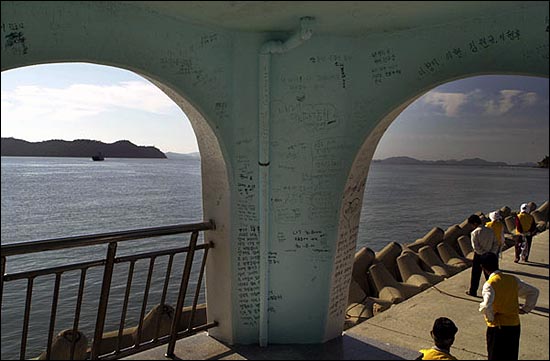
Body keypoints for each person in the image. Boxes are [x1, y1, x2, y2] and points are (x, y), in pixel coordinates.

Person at [478, 252, 539, 360]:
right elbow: (533, 292)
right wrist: (525, 309)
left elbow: (486, 306)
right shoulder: (512, 279)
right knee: (511, 355)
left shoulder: (490, 284)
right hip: (514, 324)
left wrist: (491, 318)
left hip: (498, 328)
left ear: (483, 268)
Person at [466, 214, 499, 297]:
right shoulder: (490, 230)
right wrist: (492, 252)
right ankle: (494, 291)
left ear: (474, 223)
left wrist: (483, 253)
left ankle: (473, 291)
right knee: (491, 275)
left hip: (479, 256)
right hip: (491, 255)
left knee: (476, 275)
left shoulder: (474, 233)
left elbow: (475, 247)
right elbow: (496, 243)